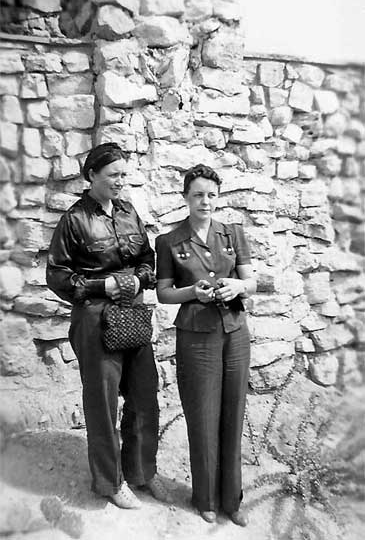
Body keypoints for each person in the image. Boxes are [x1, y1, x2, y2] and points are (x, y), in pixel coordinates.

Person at [46, 142, 170, 509]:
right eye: (114, 175)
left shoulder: (130, 212)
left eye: (124, 175)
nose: (121, 181)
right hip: (94, 318)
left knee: (145, 396)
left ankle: (142, 473)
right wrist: (105, 285)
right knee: (101, 403)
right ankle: (110, 483)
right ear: (92, 176)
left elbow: (148, 259)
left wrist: (140, 279)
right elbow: (57, 275)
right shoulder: (74, 219)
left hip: (132, 313)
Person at [155, 164, 256, 526]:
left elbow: (252, 281)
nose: (205, 201)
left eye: (211, 195)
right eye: (197, 194)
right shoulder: (169, 241)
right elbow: (164, 292)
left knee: (233, 412)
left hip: (235, 332)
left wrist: (238, 287)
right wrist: (191, 293)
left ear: (218, 197)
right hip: (197, 336)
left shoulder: (233, 233)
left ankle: (233, 499)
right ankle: (206, 499)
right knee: (203, 415)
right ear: (185, 197)